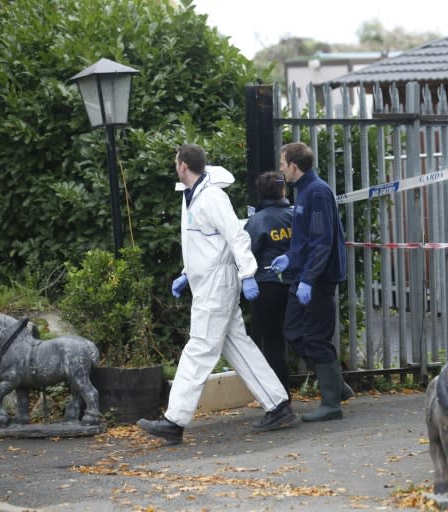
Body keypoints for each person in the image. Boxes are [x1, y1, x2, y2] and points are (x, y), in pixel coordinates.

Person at [137, 143, 298, 445]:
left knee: (198, 348)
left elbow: (235, 236)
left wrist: (248, 273)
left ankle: (175, 420)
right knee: (238, 346)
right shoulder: (193, 197)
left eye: (176, 162)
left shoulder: (210, 197)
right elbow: (206, 243)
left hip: (215, 285)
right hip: (209, 282)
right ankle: (278, 405)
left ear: (183, 165)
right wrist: (187, 274)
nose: (175, 166)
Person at [269, 141, 347, 422]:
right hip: (302, 274)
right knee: (294, 332)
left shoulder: (316, 193)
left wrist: (310, 280)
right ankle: (336, 386)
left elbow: (321, 241)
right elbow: (303, 239)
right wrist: (289, 258)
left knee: (316, 337)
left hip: (317, 279)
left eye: (282, 164)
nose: (280, 169)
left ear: (294, 165)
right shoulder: (302, 191)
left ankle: (331, 403)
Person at [243, 171, 295, 396]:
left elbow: (247, 253)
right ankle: (334, 386)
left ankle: (280, 395)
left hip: (266, 287)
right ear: (283, 190)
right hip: (296, 285)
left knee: (273, 343)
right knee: (305, 337)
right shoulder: (296, 216)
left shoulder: (256, 221)